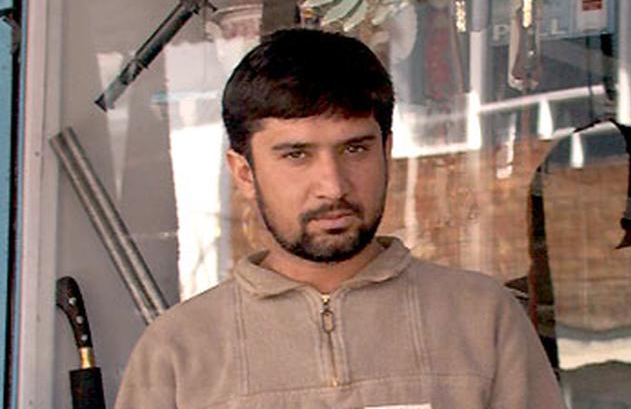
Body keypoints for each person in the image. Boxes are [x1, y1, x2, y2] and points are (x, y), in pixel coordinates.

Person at [114, 29, 565, 409]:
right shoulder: (176, 353)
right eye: (296, 155)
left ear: (387, 151)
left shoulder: (481, 318)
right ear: (244, 172)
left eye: (355, 149)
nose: (333, 185)